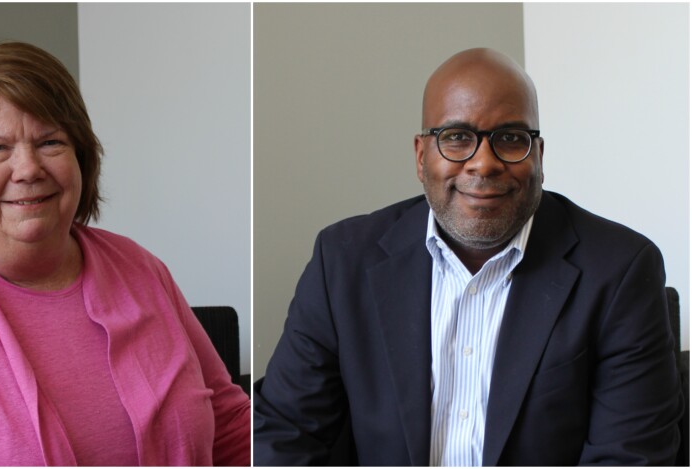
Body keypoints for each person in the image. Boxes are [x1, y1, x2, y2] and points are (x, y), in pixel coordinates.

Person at [253, 48, 682, 465]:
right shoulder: (343, 262)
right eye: (457, 138)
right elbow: (285, 433)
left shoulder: (619, 269)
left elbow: (630, 457)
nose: (483, 163)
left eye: (511, 139)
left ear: (539, 156)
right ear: (422, 157)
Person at [0, 41, 250, 466]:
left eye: (51, 142)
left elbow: (232, 428)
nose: (29, 169)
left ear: (81, 157)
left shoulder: (140, 268)